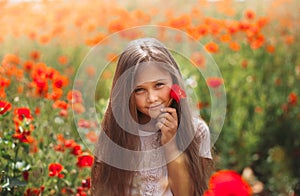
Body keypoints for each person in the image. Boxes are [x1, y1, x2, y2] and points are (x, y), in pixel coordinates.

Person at [91, 37, 213, 196]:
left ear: (174, 82)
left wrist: (170, 144)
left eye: (159, 85)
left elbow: (189, 193)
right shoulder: (115, 132)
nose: (152, 98)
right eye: (139, 90)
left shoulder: (197, 131)